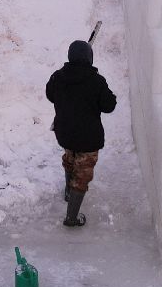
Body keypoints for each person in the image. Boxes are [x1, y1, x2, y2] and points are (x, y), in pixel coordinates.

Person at [44, 40, 117, 227]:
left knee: (70, 158)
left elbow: (50, 95)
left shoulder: (58, 77)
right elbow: (109, 106)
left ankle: (69, 192)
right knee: (82, 174)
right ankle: (71, 217)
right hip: (88, 137)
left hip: (65, 133)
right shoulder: (96, 81)